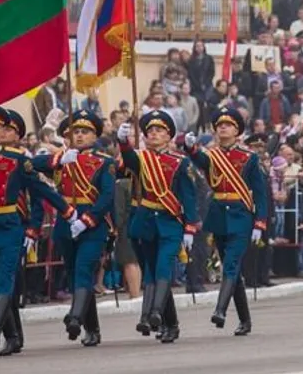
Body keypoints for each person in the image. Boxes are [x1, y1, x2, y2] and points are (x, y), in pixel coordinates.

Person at [0, 104, 74, 357]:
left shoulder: (17, 159)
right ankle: (13, 336)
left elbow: (40, 190)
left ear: (3, 130)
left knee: (6, 276)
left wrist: (67, 211)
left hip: (10, 225)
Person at [31, 110, 117, 348]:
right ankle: (92, 329)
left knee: (83, 270)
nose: (79, 136)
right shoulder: (62, 159)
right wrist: (57, 160)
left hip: (92, 225)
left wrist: (87, 220)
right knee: (73, 272)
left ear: (94, 135)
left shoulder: (104, 162)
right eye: (75, 132)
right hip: (65, 225)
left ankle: (75, 317)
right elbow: (29, 165)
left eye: (85, 132)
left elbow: (108, 197)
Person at [182, 107, 271, 336]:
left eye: (228, 125)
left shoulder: (249, 158)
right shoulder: (211, 155)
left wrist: (260, 223)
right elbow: (199, 159)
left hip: (241, 215)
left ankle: (220, 310)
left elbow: (260, 193)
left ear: (237, 131)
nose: (223, 128)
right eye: (220, 125)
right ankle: (245, 320)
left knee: (231, 264)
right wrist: (190, 147)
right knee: (232, 268)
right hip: (219, 215)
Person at [116, 109, 199, 344]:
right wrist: (123, 142)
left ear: (169, 135)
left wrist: (191, 226)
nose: (153, 134)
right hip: (144, 222)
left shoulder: (180, 163)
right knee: (151, 271)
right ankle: (169, 324)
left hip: (170, 221)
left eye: (159, 130)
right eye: (150, 130)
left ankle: (154, 313)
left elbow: (188, 196)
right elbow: (128, 160)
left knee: (163, 267)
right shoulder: (141, 158)